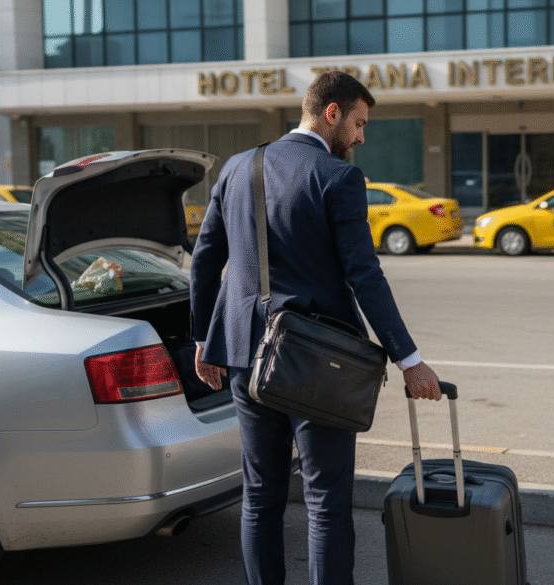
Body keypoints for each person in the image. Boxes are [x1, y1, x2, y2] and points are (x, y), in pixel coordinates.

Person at [189, 70, 442, 585]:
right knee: (326, 502)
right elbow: (364, 275)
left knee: (260, 496)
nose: (361, 137)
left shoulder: (237, 167)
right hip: (316, 361)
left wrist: (203, 339)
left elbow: (204, 259)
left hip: (244, 355)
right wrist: (409, 360)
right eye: (359, 123)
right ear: (332, 113)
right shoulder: (337, 177)